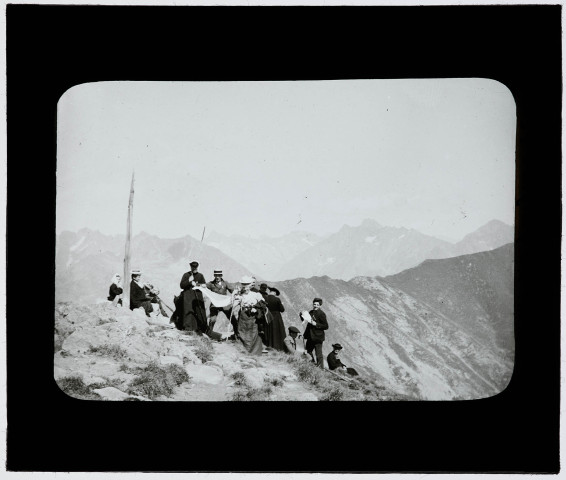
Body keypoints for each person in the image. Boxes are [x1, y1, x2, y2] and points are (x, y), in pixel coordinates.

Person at [233, 275, 267, 355]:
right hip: (243, 316)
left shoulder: (255, 294)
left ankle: (253, 352)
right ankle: (244, 351)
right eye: (244, 285)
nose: (245, 287)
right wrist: (235, 296)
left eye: (247, 284)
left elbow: (263, 303)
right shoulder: (239, 295)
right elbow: (234, 304)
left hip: (252, 316)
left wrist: (256, 308)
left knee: (252, 332)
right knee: (242, 332)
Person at [205, 268, 236, 338]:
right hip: (215, 304)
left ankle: (237, 335)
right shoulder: (211, 284)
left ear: (221, 275)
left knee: (232, 318)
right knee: (212, 320)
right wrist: (199, 285)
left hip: (224, 304)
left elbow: (232, 290)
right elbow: (203, 286)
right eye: (216, 275)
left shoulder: (225, 283)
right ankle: (209, 335)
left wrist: (235, 294)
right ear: (214, 276)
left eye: (218, 275)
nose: (217, 277)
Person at [179, 261, 207, 333]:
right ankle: (188, 329)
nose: (194, 268)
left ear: (197, 267)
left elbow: (204, 285)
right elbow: (181, 285)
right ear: (190, 267)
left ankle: (200, 330)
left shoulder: (200, 276)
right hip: (188, 297)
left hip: (197, 297)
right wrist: (189, 281)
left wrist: (197, 285)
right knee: (188, 312)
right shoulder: (186, 275)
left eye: (195, 267)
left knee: (199, 312)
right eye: (193, 267)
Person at [301, 297, 329, 368]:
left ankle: (320, 369)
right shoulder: (310, 312)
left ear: (320, 305)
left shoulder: (322, 314)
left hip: (318, 337)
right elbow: (308, 325)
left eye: (317, 304)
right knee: (308, 352)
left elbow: (326, 326)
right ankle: (312, 364)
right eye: (314, 304)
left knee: (318, 354)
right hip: (310, 336)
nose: (315, 306)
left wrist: (316, 324)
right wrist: (301, 315)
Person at [264, 287, 287, 351]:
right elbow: (282, 310)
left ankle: (269, 345)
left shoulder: (265, 298)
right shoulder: (277, 299)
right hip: (276, 317)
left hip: (268, 316)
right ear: (274, 292)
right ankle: (278, 347)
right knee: (277, 332)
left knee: (269, 331)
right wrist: (281, 304)